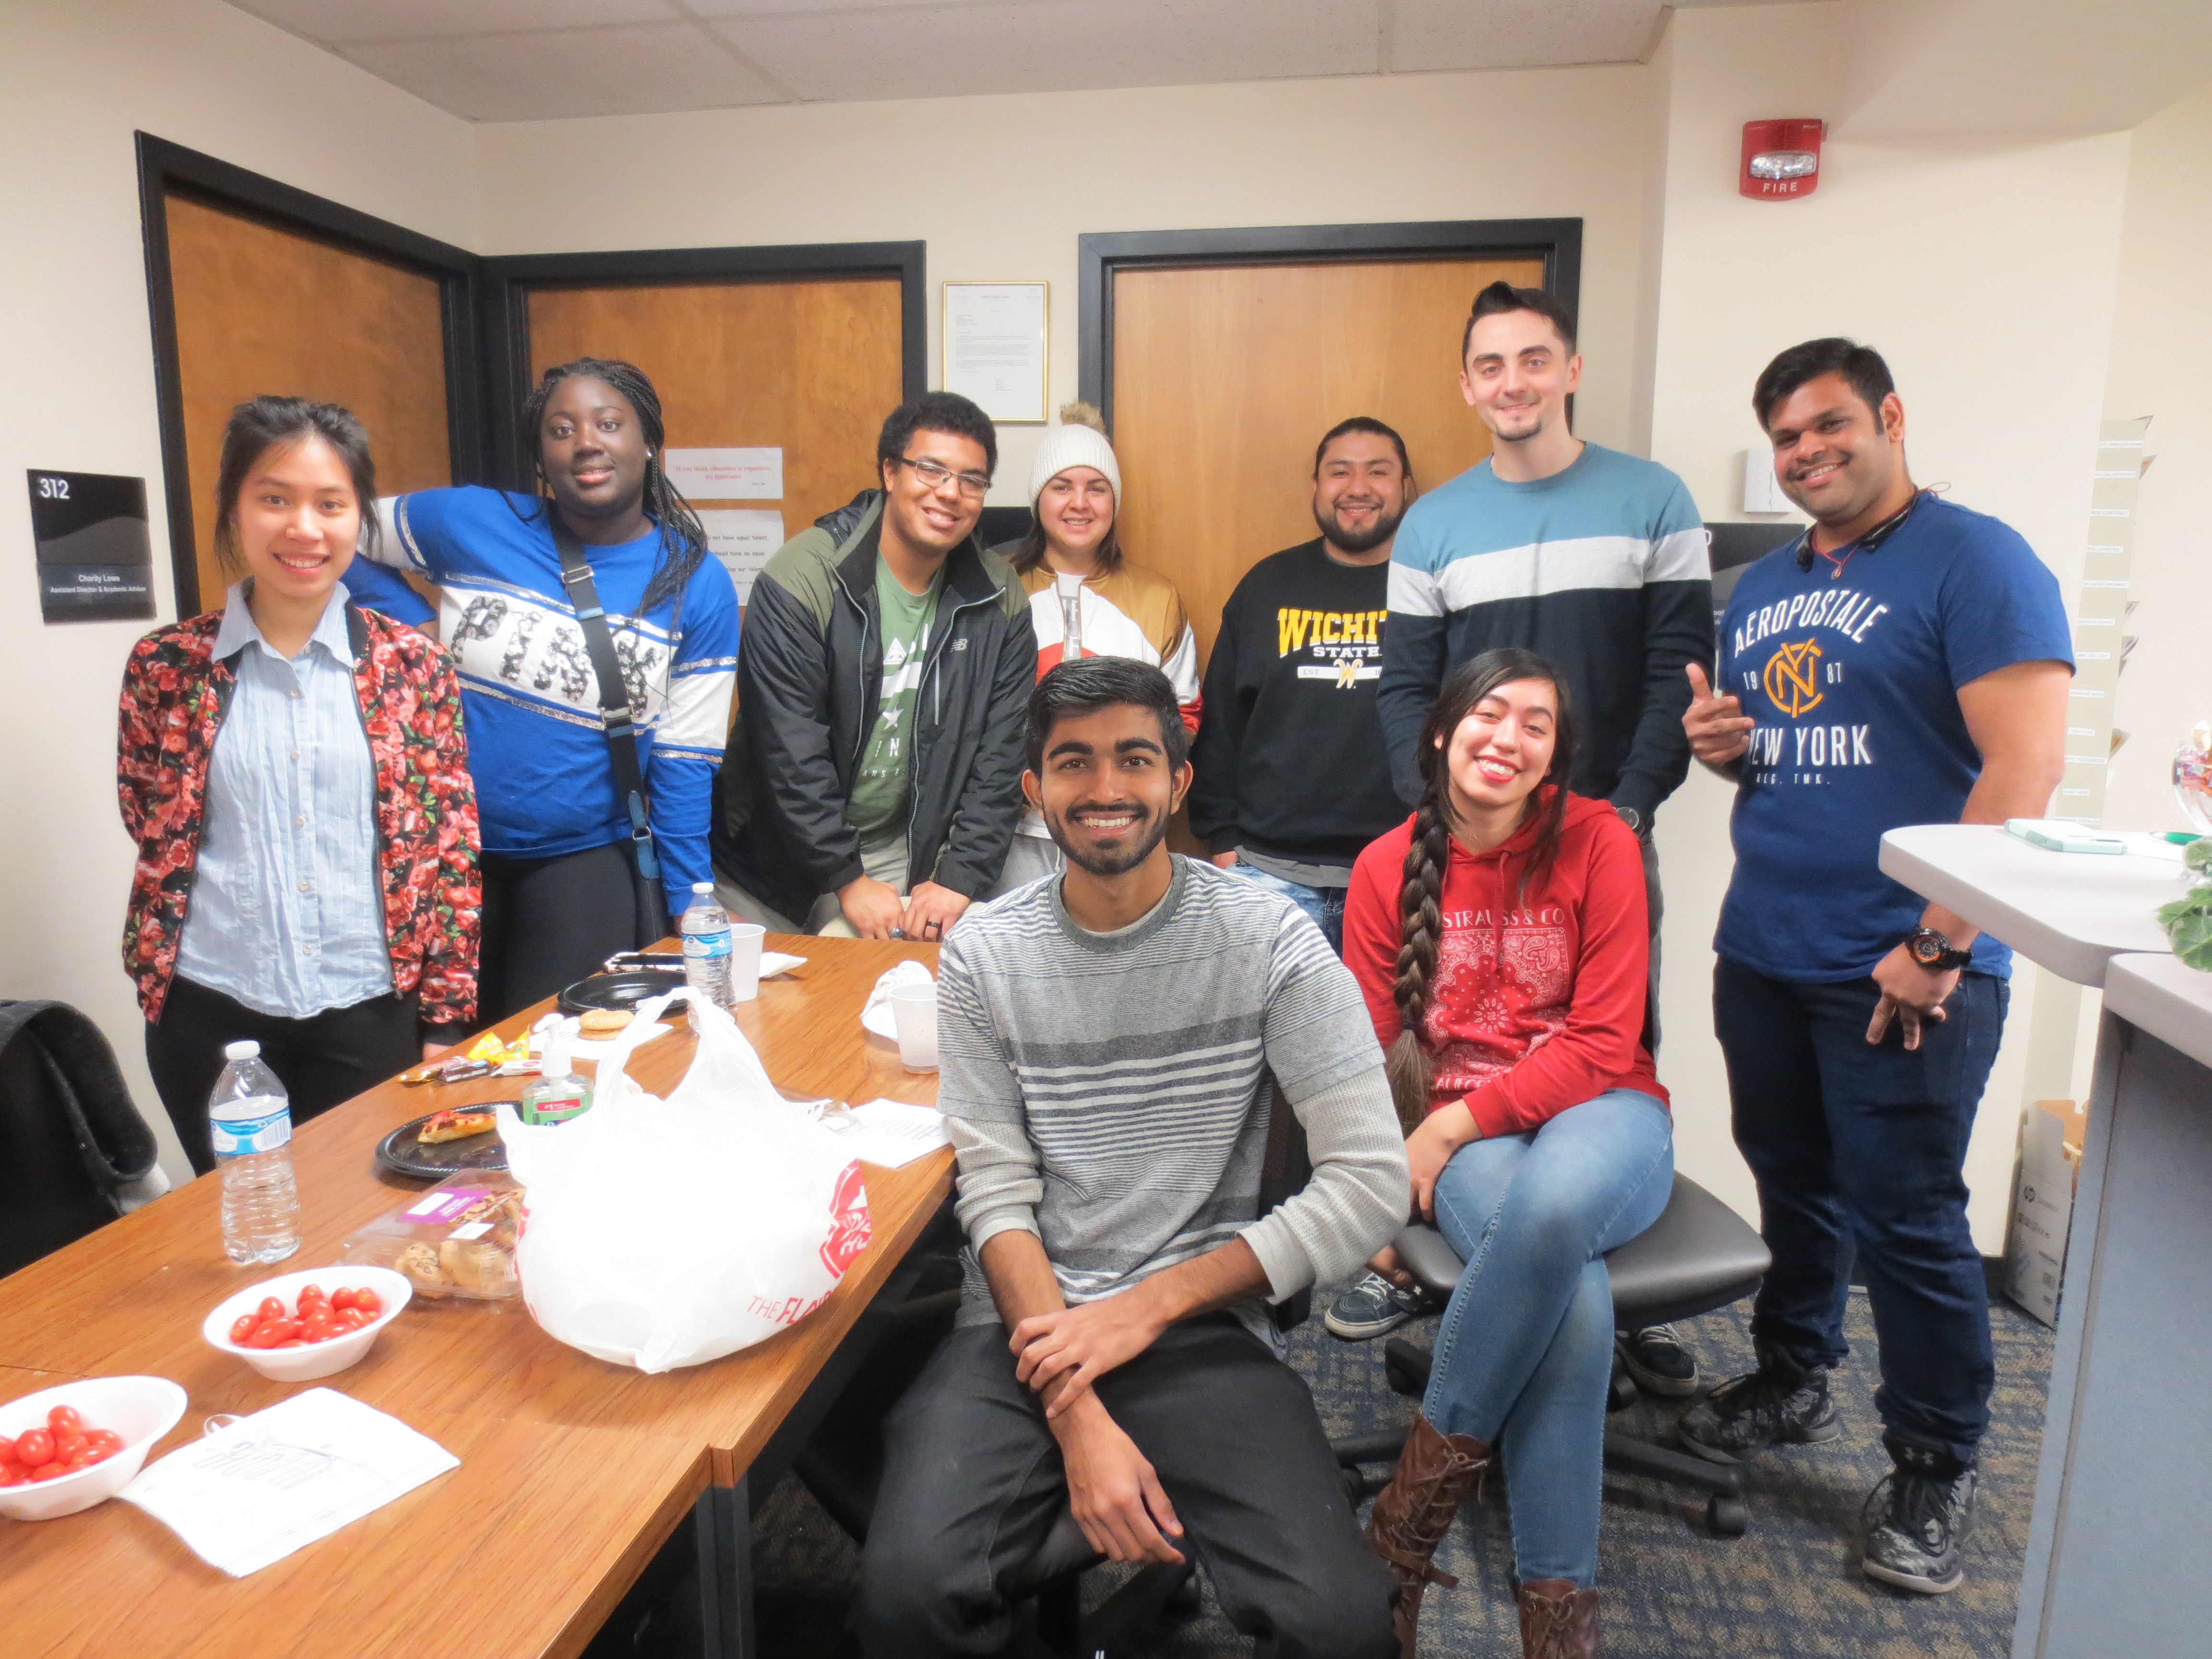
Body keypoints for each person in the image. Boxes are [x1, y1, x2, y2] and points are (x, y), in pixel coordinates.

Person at [857, 658, 1407, 1659]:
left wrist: (1146, 1306)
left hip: (1197, 1327)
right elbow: (996, 1194)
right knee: (906, 1598)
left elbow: (1372, 1182)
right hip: (1027, 1331)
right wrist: (1077, 1413)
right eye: (1074, 763)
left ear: (1180, 782)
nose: (1106, 789)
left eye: (1135, 760)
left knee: (1341, 1625)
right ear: (1033, 792)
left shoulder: (1271, 939)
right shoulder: (985, 955)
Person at [1679, 338, 2071, 1595]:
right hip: (1769, 945)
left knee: (1907, 1218)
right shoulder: (1765, 584)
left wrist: (1939, 943)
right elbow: (1791, 752)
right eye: (1787, 438)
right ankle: (1796, 1378)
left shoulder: (1979, 558)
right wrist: (1718, 748)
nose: (1807, 453)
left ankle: (1935, 1463)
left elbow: (2025, 768)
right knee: (1794, 1181)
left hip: (1909, 962)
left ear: (1891, 417)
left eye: (1829, 426)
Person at [1373, 279, 1711, 1394]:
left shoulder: (1653, 498)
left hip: (1597, 832)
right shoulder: (1433, 522)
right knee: (1456, 1036)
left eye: (1533, 359)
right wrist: (1436, 819)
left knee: (1601, 1058)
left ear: (1569, 369)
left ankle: (1551, 1271)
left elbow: (1676, 673)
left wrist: (1625, 805)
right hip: (1458, 836)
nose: (1511, 382)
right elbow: (1407, 688)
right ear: (1467, 384)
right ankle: (1545, 1286)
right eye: (1489, 365)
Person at [1345, 649, 1671, 1659]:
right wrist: (1378, 1197)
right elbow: (1365, 1059)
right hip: (1468, 1142)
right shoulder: (1382, 866)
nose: (1509, 738)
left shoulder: (1600, 839)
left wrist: (1444, 1129)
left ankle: (1402, 1537)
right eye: (1491, 714)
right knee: (1573, 1304)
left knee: (1556, 1210)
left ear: (1552, 760)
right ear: (1442, 731)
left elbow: (1605, 1041)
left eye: (1537, 726)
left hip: (1603, 1110)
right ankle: (1557, 1624)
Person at [119, 397, 480, 1174]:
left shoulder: (412, 668)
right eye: (274, 498)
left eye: (330, 504)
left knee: (365, 1231)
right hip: (208, 1014)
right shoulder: (166, 666)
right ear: (235, 510)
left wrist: (447, 1020)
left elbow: (449, 853)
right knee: (242, 1238)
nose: (304, 529)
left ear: (358, 519)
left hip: (369, 1010)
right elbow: (149, 817)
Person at [345, 357, 738, 1021]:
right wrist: (410, 625)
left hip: (580, 864)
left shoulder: (694, 583)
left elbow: (684, 763)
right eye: (561, 429)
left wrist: (688, 902)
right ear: (541, 455)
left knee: (554, 1057)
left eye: (609, 423)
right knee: (435, 1056)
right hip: (445, 852)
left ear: (647, 441)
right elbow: (333, 530)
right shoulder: (469, 520)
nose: (586, 441)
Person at [715, 393, 1034, 941]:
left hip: (902, 856)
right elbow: (789, 752)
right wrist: (846, 878)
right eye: (930, 469)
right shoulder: (804, 578)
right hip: (776, 864)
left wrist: (959, 878)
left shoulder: (998, 597)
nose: (950, 493)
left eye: (972, 480)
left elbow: (1001, 756)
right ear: (890, 471)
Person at [1189, 416, 1413, 955]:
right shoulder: (1268, 586)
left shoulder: (1430, 590)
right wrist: (1223, 842)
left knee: (1393, 1042)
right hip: (1270, 880)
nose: (1357, 488)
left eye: (1377, 472)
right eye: (1340, 472)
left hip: (1404, 880)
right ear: (1316, 487)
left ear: (1406, 488)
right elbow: (1221, 723)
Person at [990, 402, 1199, 894]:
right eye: (1062, 487)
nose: (1078, 503)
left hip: (1119, 831)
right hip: (1012, 834)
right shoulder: (996, 589)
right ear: (1039, 498)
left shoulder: (1157, 597)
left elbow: (1183, 715)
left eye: (1096, 488)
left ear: (1114, 501)